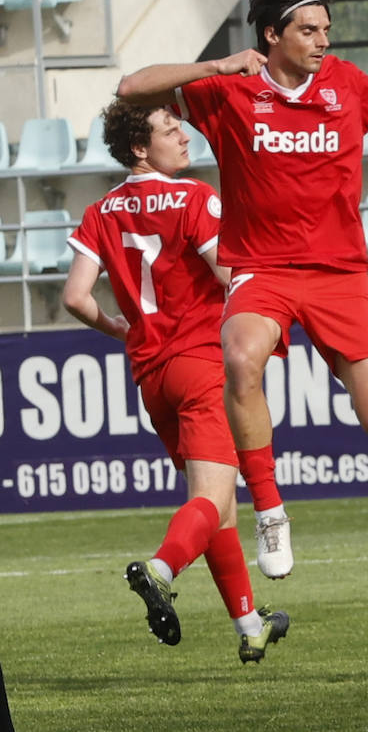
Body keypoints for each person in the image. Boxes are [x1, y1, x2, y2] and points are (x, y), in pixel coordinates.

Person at [114, 0, 368, 579]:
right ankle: (270, 511)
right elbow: (130, 88)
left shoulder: (346, 83)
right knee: (239, 357)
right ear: (273, 35)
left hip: (338, 275)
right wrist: (217, 64)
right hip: (262, 269)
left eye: (326, 29)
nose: (323, 40)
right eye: (309, 30)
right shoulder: (229, 89)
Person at [63, 99, 289, 664]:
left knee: (216, 506)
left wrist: (119, 328)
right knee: (212, 498)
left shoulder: (100, 212)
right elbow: (230, 275)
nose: (185, 136)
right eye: (170, 130)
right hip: (201, 362)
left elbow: (75, 297)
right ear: (140, 148)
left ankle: (249, 625)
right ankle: (161, 570)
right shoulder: (193, 198)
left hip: (152, 376)